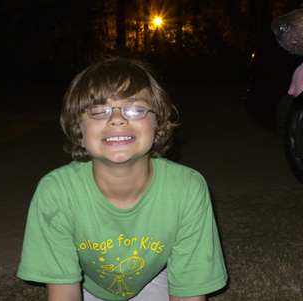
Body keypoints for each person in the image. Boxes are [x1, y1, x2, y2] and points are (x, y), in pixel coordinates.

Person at [17, 57, 228, 301]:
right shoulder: (56, 192)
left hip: (153, 281)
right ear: (79, 132)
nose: (117, 118)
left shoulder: (187, 188)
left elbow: (190, 293)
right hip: (86, 286)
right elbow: (64, 293)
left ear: (158, 127)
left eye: (135, 109)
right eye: (98, 110)